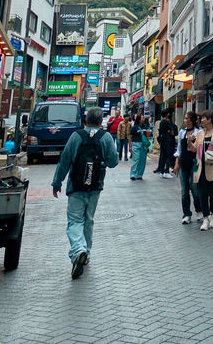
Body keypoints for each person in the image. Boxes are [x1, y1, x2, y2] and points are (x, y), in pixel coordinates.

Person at [51, 105, 118, 279]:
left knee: (74, 221)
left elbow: (65, 160)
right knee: (88, 219)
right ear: (100, 121)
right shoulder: (106, 137)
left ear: (86, 120)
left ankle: (78, 250)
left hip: (76, 186)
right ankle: (86, 253)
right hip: (95, 186)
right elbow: (113, 162)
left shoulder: (76, 136)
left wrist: (57, 182)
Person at [189, 109, 213, 231]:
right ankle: (205, 218)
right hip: (201, 168)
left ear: (210, 119)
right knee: (202, 194)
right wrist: (189, 141)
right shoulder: (200, 133)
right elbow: (194, 149)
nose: (201, 120)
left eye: (204, 118)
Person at [173, 112, 202, 224]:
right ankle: (186, 214)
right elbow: (179, 149)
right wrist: (177, 163)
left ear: (191, 120)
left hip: (194, 163)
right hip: (183, 163)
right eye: (184, 118)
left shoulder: (198, 132)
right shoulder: (182, 132)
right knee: (184, 190)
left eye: (186, 118)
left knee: (194, 188)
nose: (184, 120)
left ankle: (199, 210)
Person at [129, 114, 150, 180]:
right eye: (142, 118)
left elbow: (147, 136)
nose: (144, 119)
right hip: (136, 144)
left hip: (143, 145)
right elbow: (130, 136)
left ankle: (139, 174)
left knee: (142, 160)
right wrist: (130, 146)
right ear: (139, 120)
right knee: (136, 159)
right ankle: (133, 174)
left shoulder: (145, 126)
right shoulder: (134, 127)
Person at [158, 109, 177, 177]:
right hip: (168, 141)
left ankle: (162, 171)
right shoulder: (167, 122)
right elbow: (172, 132)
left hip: (162, 141)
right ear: (167, 115)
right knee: (169, 156)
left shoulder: (161, 122)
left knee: (163, 156)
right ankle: (166, 172)